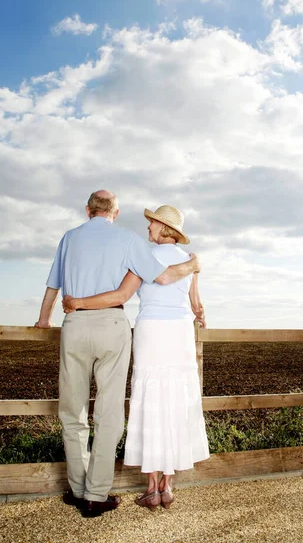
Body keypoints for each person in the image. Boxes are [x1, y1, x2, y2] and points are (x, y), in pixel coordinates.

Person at [35, 192, 200, 518]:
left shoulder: (69, 238)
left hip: (74, 325)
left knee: (72, 411)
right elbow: (162, 278)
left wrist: (44, 319)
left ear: (88, 210)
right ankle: (97, 495)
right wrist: (194, 264)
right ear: (116, 212)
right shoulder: (128, 240)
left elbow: (52, 285)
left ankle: (78, 489)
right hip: (112, 323)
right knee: (108, 412)